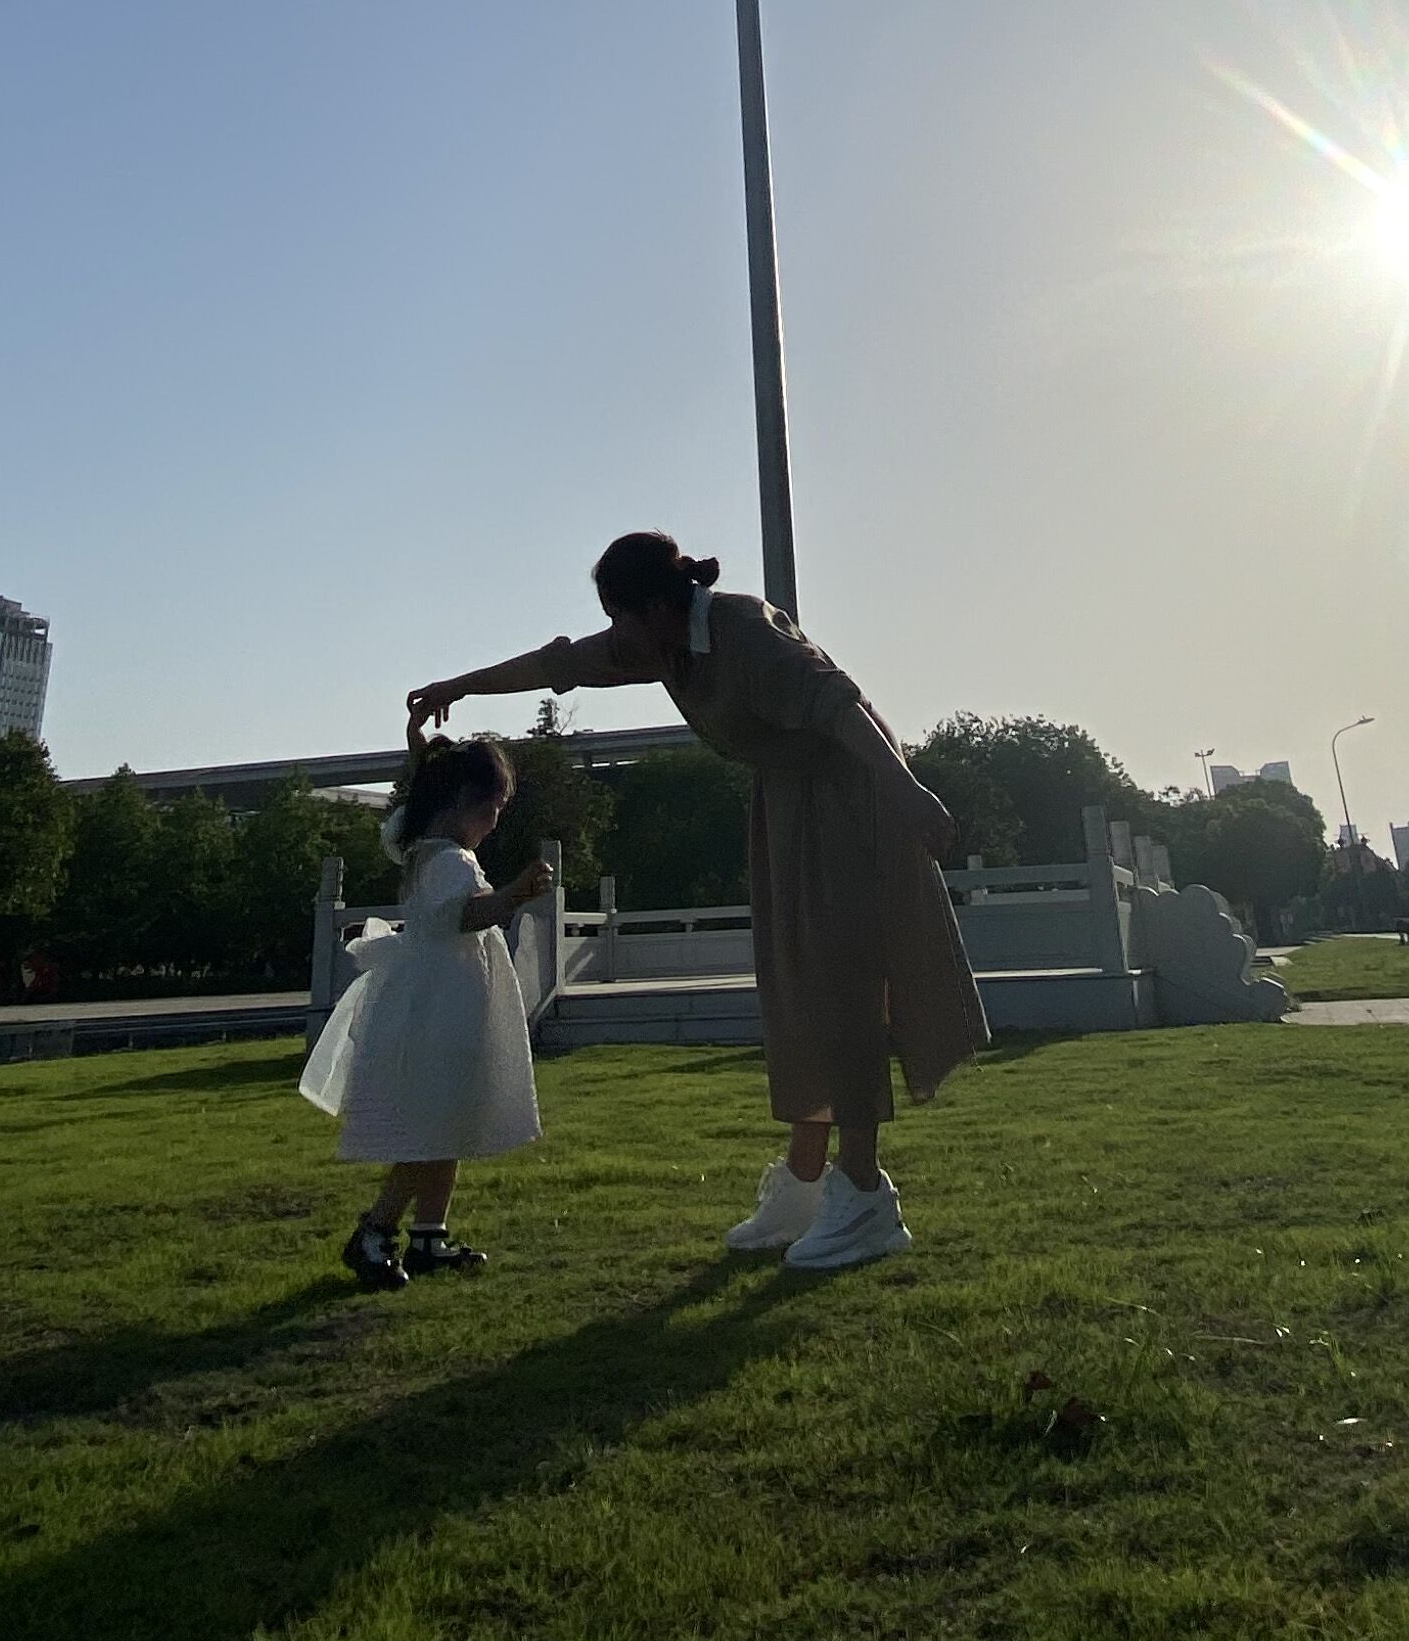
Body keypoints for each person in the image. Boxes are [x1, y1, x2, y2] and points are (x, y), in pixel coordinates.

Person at [405, 531, 985, 1273]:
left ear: (656, 605)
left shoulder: (741, 628)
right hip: (788, 805)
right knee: (796, 990)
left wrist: (905, 790)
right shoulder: (666, 646)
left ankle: (864, 1194)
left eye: (619, 617)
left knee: (842, 989)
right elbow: (560, 664)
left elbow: (841, 705)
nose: (614, 635)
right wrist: (458, 687)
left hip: (853, 798)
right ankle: (805, 1183)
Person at [300, 731, 555, 1291]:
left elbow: (410, 812)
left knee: (449, 1119)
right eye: (493, 807)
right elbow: (459, 916)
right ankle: (376, 1229)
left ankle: (429, 1234)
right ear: (462, 799)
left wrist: (423, 758)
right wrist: (514, 894)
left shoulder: (415, 843)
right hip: (445, 1008)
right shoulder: (450, 861)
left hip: (440, 1001)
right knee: (433, 1129)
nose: (495, 822)